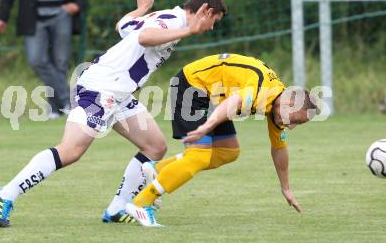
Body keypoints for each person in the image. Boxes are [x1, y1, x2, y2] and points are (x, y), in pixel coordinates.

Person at [0, 0, 227, 227]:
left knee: (154, 146)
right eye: (214, 21)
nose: (210, 28)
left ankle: (117, 209)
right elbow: (144, 37)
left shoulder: (164, 17)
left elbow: (124, 26)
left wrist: (140, 10)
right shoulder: (174, 22)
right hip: (100, 88)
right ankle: (6, 194)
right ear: (205, 12)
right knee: (70, 151)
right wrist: (186, 31)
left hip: (119, 94)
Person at [124, 54, 318, 227]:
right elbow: (232, 103)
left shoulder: (277, 103)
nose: (292, 126)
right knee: (199, 156)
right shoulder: (262, 90)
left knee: (228, 151)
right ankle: (141, 204)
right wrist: (207, 127)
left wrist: (286, 188)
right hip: (191, 85)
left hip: (211, 96)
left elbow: (279, 149)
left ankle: (156, 169)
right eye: (296, 120)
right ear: (289, 103)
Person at [0, 0, 88, 118]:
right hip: (33, 18)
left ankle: (55, 109)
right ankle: (69, 100)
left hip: (62, 16)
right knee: (36, 59)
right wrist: (2, 16)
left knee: (60, 62)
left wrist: (76, 5)